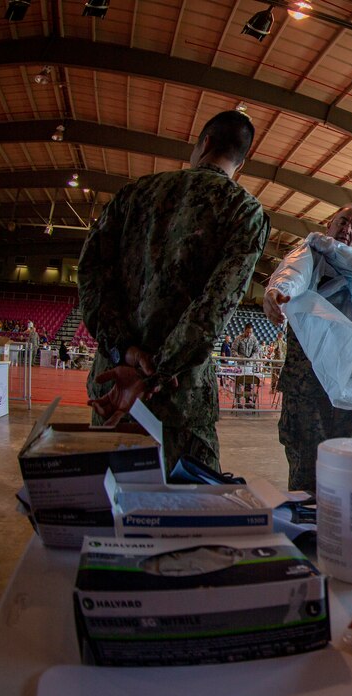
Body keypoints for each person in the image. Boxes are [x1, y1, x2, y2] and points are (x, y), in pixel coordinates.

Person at [79, 110, 270, 472]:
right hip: (180, 399)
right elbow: (214, 307)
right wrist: (156, 371)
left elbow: (90, 274)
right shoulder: (244, 212)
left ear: (205, 143)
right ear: (241, 163)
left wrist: (125, 351)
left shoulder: (133, 194)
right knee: (189, 516)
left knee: (112, 511)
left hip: (113, 386)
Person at [263, 204, 352, 492]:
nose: (347, 230)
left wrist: (332, 248)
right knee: (307, 466)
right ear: (329, 225)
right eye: (343, 222)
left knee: (349, 466)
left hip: (346, 389)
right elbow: (292, 275)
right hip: (306, 387)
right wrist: (277, 291)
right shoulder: (308, 255)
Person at [232, 323, 260, 408]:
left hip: (249, 364)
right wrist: (239, 357)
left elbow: (256, 351)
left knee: (248, 382)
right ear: (244, 330)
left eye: (250, 332)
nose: (249, 334)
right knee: (238, 382)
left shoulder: (254, 339)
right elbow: (233, 350)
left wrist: (252, 357)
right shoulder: (238, 338)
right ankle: (238, 402)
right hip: (240, 364)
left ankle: (248, 401)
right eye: (247, 332)